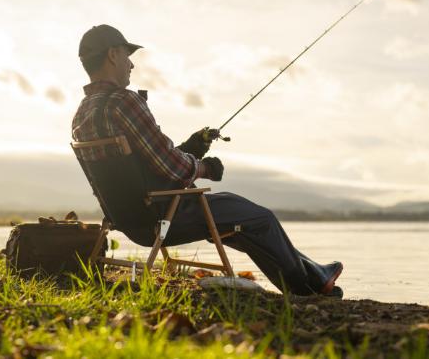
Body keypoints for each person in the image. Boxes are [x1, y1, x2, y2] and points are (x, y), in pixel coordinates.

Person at [71, 24, 342, 296]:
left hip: (128, 219)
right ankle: (305, 289)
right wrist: (206, 168)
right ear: (113, 55)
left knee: (241, 224)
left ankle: (314, 277)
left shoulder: (81, 115)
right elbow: (171, 167)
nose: (131, 65)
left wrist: (192, 147)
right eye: (128, 56)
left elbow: (143, 166)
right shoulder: (124, 102)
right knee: (261, 218)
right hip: (164, 215)